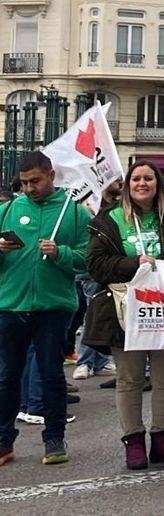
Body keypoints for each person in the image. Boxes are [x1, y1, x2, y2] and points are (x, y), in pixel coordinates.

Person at [84, 161, 164, 470]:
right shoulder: (108, 220)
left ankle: (163, 439)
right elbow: (95, 265)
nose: (142, 183)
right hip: (125, 310)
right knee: (130, 378)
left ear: (157, 183)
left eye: (148, 178)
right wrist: (133, 263)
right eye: (136, 179)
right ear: (127, 185)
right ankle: (133, 441)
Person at [0, 152, 95, 466]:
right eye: (24, 182)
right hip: (10, 307)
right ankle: (3, 441)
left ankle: (54, 439)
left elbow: (89, 260)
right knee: (6, 376)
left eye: (35, 181)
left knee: (51, 374)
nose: (28, 188)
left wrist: (62, 253)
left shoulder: (75, 213)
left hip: (53, 307)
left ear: (51, 176)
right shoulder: (8, 210)